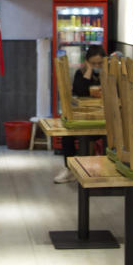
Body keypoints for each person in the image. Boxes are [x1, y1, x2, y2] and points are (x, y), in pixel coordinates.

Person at [54, 45, 106, 183]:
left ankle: (105, 170)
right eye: (93, 63)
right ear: (87, 62)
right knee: (67, 134)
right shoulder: (80, 73)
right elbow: (80, 90)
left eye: (99, 63)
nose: (97, 66)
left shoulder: (109, 73)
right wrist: (88, 71)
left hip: (104, 120)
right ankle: (69, 169)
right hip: (84, 117)